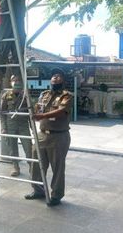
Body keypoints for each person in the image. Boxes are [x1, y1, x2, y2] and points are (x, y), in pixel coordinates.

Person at [24, 68, 73, 206]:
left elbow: (62, 111)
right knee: (35, 164)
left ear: (63, 80)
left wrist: (42, 116)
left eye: (58, 76)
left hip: (58, 136)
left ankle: (56, 195)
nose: (55, 78)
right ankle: (38, 190)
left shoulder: (67, 96)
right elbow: (37, 109)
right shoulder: (44, 94)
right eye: (53, 76)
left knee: (57, 167)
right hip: (42, 134)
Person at [0, 75, 32, 176]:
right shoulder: (6, 95)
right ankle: (15, 167)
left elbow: (31, 110)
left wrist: (32, 126)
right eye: (14, 80)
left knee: (28, 147)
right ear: (11, 82)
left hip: (23, 125)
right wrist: (3, 127)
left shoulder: (25, 95)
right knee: (12, 147)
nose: (16, 82)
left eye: (18, 80)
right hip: (10, 125)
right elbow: (2, 113)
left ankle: (32, 167)